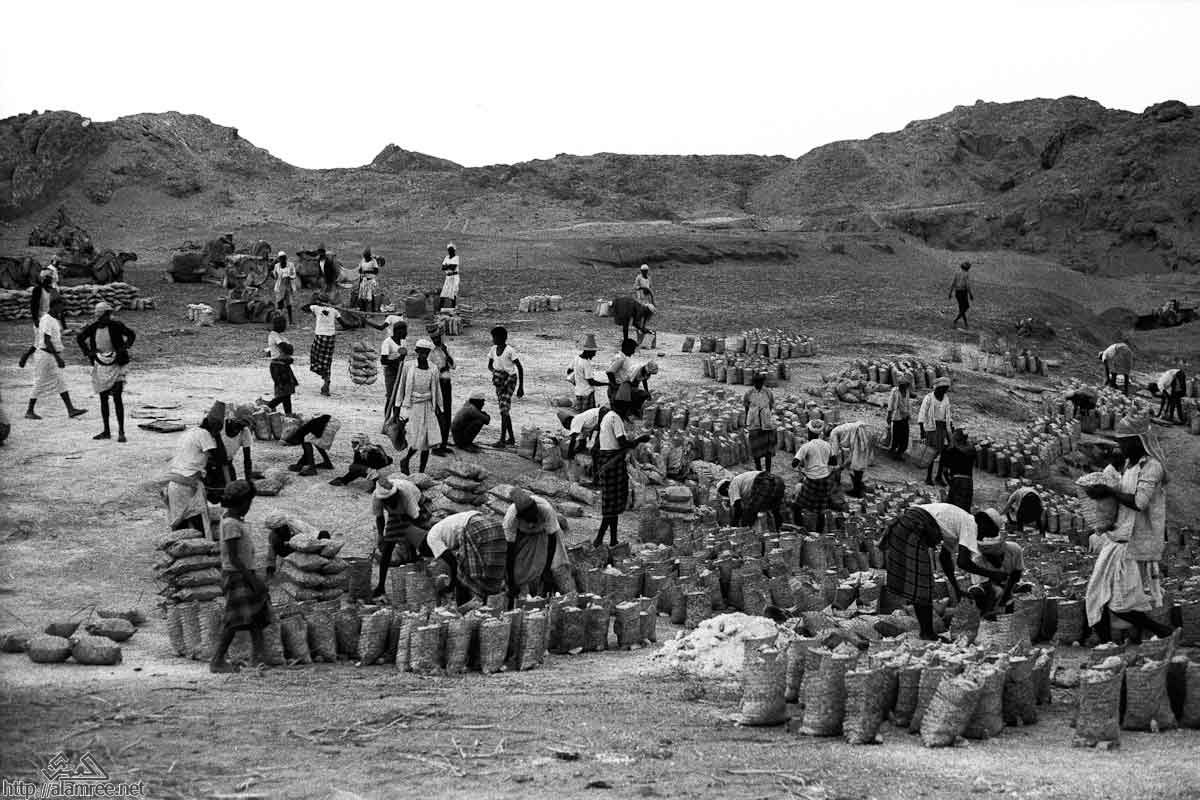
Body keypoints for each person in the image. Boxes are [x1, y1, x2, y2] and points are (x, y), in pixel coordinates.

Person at [1084, 415, 1175, 643]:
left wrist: (1110, 491)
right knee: (1095, 595)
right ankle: (1106, 646)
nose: (1120, 447)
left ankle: (1163, 632)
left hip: (1132, 544)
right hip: (1117, 538)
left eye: (1123, 442)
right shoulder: (1129, 466)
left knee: (1120, 604)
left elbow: (1139, 502)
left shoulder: (1151, 467)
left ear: (1137, 441)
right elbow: (1121, 500)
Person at [878, 503, 1001, 640]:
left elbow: (945, 559)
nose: (982, 538)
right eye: (986, 534)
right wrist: (993, 574)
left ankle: (926, 632)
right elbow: (963, 562)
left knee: (920, 584)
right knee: (922, 583)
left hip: (907, 526)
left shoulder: (959, 524)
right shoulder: (971, 524)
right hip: (912, 527)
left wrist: (956, 589)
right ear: (984, 524)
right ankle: (927, 633)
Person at [210, 480, 271, 672]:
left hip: (245, 573)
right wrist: (253, 580)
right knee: (234, 620)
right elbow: (234, 558)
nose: (249, 507)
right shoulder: (230, 524)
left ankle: (257, 658)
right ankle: (217, 661)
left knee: (256, 616)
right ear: (242, 502)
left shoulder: (234, 520)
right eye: (249, 502)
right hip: (237, 575)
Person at [594, 397, 652, 548]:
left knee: (612, 505)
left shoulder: (609, 416)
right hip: (612, 462)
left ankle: (613, 539)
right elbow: (623, 443)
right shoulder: (615, 419)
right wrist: (639, 440)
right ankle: (599, 539)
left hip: (608, 459)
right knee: (611, 505)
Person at [75, 300, 135, 441]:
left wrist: (124, 348)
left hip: (117, 364)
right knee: (103, 399)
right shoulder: (93, 328)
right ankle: (106, 430)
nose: (109, 317)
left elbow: (131, 335)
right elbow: (80, 338)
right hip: (101, 364)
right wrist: (88, 352)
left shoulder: (116, 325)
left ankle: (121, 432)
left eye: (109, 314)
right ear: (101, 315)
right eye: (107, 314)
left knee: (117, 398)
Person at [164, 402, 224, 538]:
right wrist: (218, 436)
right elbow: (220, 458)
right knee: (200, 527)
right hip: (187, 486)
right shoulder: (204, 435)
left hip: (174, 484)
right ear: (215, 427)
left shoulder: (190, 432)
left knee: (180, 527)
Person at [22, 297, 88, 421]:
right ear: (55, 306)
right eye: (61, 306)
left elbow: (56, 337)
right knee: (40, 382)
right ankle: (29, 410)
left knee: (60, 382)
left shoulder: (53, 320)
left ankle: (70, 409)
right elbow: (47, 341)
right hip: (46, 356)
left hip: (50, 355)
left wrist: (77, 331)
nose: (62, 309)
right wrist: (58, 358)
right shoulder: (47, 320)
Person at [423, 510, 508, 604]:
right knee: (492, 569)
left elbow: (453, 563)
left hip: (473, 527)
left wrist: (450, 586)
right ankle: (492, 603)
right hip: (494, 524)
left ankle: (466, 606)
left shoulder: (431, 538)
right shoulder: (442, 529)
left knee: (465, 574)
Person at [503, 489, 569, 598]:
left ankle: (558, 590)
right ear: (520, 517)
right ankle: (523, 591)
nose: (531, 524)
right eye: (528, 520)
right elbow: (510, 551)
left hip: (543, 533)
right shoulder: (511, 518)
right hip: (523, 535)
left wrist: (547, 570)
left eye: (534, 519)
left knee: (557, 565)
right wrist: (511, 581)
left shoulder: (546, 509)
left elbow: (552, 540)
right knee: (519, 570)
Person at [370, 475, 427, 598]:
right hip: (397, 513)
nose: (389, 502)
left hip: (415, 506)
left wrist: (409, 538)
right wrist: (380, 535)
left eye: (391, 499)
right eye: (386, 501)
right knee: (387, 549)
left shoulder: (405, 494)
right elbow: (379, 517)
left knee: (415, 542)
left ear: (395, 494)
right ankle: (381, 586)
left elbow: (415, 517)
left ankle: (414, 571)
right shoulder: (376, 496)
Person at [966, 509, 1025, 619]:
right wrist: (989, 610)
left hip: (1010, 584)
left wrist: (1006, 595)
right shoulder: (978, 560)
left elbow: (1016, 574)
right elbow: (988, 587)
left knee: (1022, 591)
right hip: (990, 587)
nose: (991, 559)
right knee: (980, 593)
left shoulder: (1014, 550)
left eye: (994, 555)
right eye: (988, 556)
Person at [396, 338, 443, 474]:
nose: (423, 354)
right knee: (418, 438)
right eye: (421, 352)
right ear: (417, 351)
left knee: (427, 440)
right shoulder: (408, 366)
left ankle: (422, 471)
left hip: (428, 405)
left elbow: (437, 389)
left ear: (428, 353)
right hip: (413, 406)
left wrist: (439, 407)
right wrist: (398, 407)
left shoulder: (433, 368)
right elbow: (401, 386)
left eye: (426, 352)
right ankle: (406, 460)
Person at [791, 420, 836, 532]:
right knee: (820, 510)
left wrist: (802, 466)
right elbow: (834, 462)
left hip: (812, 480)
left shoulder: (806, 446)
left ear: (809, 432)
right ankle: (819, 533)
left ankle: (800, 529)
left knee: (797, 506)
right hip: (825, 480)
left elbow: (794, 463)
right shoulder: (827, 445)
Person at [487, 326, 524, 448]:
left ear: (503, 338)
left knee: (504, 410)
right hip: (499, 381)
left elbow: (519, 367)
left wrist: (520, 387)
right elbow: (490, 365)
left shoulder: (510, 351)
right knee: (504, 410)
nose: (493, 340)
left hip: (510, 380)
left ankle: (502, 440)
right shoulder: (493, 349)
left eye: (495, 337)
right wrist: (496, 373)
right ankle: (511, 438)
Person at [17, 269, 59, 368]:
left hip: (50, 319)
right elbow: (33, 306)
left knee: (49, 342)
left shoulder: (53, 290)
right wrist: (35, 319)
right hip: (41, 319)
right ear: (43, 279)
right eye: (48, 278)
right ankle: (27, 356)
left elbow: (57, 306)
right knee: (40, 342)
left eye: (50, 278)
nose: (50, 280)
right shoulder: (38, 290)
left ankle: (46, 361)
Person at [717, 470, 786, 529]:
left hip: (764, 482)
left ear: (726, 489)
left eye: (726, 494)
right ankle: (779, 532)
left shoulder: (732, 485)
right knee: (774, 510)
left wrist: (733, 526)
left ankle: (746, 535)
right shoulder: (743, 482)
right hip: (778, 481)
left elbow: (738, 508)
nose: (729, 496)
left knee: (749, 514)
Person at [918, 377, 953, 486]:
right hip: (931, 428)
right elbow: (922, 414)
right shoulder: (929, 398)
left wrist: (950, 428)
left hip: (942, 428)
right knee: (931, 453)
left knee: (943, 453)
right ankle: (928, 477)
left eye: (946, 389)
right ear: (937, 388)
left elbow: (948, 414)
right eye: (943, 388)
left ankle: (938, 476)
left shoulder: (946, 398)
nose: (944, 391)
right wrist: (922, 432)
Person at [427, 326, 456, 456]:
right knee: (439, 415)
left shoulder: (446, 348)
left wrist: (446, 354)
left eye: (438, 338)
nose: (436, 340)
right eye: (434, 339)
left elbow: (453, 366)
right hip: (437, 384)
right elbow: (429, 370)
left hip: (446, 383)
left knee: (447, 413)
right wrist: (442, 369)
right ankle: (436, 447)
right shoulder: (430, 352)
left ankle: (443, 444)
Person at [828, 419, 874, 498]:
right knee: (858, 461)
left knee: (857, 464)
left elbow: (835, 452)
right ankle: (860, 485)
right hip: (865, 431)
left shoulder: (833, 433)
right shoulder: (840, 429)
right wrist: (845, 463)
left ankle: (857, 491)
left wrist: (835, 466)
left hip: (859, 434)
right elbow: (845, 450)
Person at [744, 373, 777, 472]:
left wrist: (765, 416)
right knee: (756, 451)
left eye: (760, 382)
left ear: (763, 382)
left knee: (768, 452)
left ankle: (768, 471)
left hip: (766, 425)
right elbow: (746, 407)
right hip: (754, 426)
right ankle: (758, 471)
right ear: (754, 383)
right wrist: (748, 421)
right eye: (756, 382)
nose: (758, 384)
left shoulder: (768, 392)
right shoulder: (749, 393)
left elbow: (771, 406)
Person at [308, 302, 341, 396]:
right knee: (327, 360)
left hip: (320, 337)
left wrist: (316, 304)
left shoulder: (316, 308)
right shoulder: (334, 310)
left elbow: (305, 307)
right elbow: (344, 323)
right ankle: (326, 380)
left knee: (315, 357)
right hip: (330, 338)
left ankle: (323, 375)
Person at [567, 333, 605, 412]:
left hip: (578, 392)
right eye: (594, 352)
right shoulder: (586, 363)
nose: (594, 355)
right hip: (587, 393)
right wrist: (606, 384)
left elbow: (569, 371)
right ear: (589, 351)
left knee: (580, 413)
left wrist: (577, 380)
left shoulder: (576, 358)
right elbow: (591, 382)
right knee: (589, 414)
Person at [218, 407, 258, 482]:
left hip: (228, 463)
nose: (238, 429)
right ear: (234, 419)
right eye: (238, 424)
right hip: (213, 463)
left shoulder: (245, 431)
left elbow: (247, 459)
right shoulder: (220, 426)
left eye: (244, 425)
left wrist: (248, 480)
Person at [940, 428, 976, 510]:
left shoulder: (950, 451)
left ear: (955, 438)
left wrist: (950, 483)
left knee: (953, 508)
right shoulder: (971, 450)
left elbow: (945, 471)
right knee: (965, 508)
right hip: (968, 482)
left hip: (956, 481)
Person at [379, 315, 407, 419]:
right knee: (390, 396)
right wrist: (396, 362)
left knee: (398, 397)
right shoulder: (387, 342)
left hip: (400, 370)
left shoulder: (403, 341)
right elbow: (383, 360)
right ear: (397, 331)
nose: (406, 333)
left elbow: (402, 355)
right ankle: (386, 419)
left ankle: (395, 418)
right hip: (390, 371)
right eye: (404, 331)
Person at [265, 342, 299, 414]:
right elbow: (275, 377)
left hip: (288, 384)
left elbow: (290, 373)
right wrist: (280, 385)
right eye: (287, 355)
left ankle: (288, 414)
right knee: (281, 398)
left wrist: (294, 382)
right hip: (282, 385)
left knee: (286, 399)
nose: (288, 357)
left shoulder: (283, 362)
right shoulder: (276, 364)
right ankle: (267, 408)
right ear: (281, 352)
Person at [885, 373, 913, 459]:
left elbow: (907, 403)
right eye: (902, 385)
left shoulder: (907, 391)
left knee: (904, 437)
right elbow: (890, 404)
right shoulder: (895, 391)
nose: (904, 387)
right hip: (897, 416)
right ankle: (893, 452)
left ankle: (900, 452)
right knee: (896, 436)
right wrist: (889, 415)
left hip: (905, 416)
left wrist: (909, 414)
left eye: (905, 385)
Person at [273, 251, 297, 324]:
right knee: (280, 303)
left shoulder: (291, 265)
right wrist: (274, 275)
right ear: (279, 259)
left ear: (286, 258)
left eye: (284, 258)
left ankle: (290, 320)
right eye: (281, 258)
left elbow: (294, 275)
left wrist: (289, 277)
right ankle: (279, 320)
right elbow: (275, 276)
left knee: (288, 304)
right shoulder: (276, 266)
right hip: (280, 287)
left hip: (288, 286)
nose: (282, 260)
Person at [949, 261, 974, 329]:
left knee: (961, 308)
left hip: (957, 292)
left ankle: (965, 323)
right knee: (966, 306)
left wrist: (950, 293)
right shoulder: (966, 274)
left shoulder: (957, 273)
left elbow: (953, 283)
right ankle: (956, 320)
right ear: (968, 268)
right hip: (963, 292)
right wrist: (970, 294)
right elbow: (967, 286)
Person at [356, 248, 380, 313]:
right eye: (365, 256)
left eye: (367, 257)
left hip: (370, 281)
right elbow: (359, 270)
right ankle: (363, 310)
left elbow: (376, 271)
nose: (366, 258)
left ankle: (372, 311)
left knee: (370, 296)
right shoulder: (363, 260)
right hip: (363, 281)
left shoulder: (373, 261)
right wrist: (361, 279)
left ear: (369, 256)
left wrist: (366, 271)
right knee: (362, 296)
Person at [439, 243, 460, 311]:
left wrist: (447, 266)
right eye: (449, 250)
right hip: (448, 277)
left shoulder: (456, 258)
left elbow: (453, 268)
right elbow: (443, 268)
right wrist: (449, 266)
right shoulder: (446, 257)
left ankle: (453, 309)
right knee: (443, 293)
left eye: (451, 250)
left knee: (453, 294)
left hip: (454, 277)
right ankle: (440, 309)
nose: (450, 251)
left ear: (454, 250)